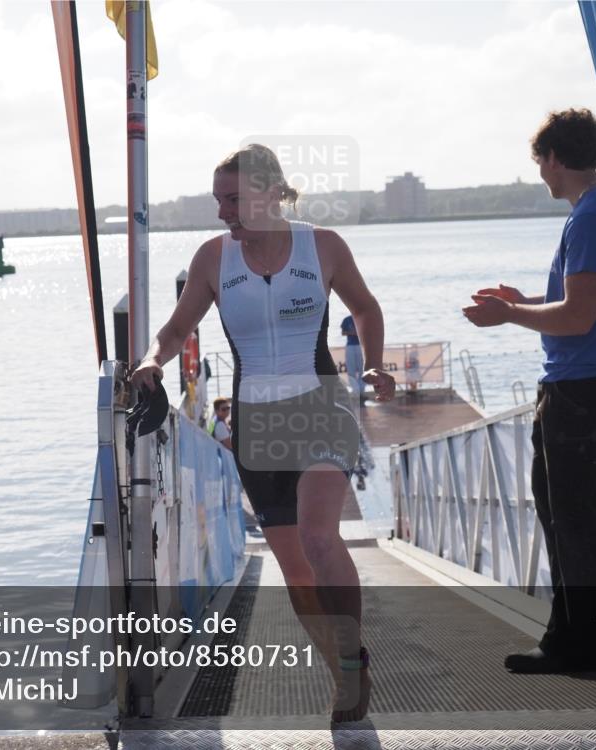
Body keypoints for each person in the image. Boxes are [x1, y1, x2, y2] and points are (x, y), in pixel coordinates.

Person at [130, 143, 395, 722]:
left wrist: (372, 365)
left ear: (271, 194)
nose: (223, 212)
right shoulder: (211, 260)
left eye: (234, 199)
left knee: (320, 537)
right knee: (296, 572)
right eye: (218, 200)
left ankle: (350, 662)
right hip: (257, 425)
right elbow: (174, 332)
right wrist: (152, 360)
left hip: (321, 407)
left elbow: (366, 309)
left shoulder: (322, 246)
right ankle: (345, 672)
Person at [462, 108, 596, 674]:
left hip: (583, 387)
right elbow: (581, 305)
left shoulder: (591, 216)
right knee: (564, 510)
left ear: (556, 158)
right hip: (588, 382)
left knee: (572, 514)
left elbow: (581, 317)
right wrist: (525, 300)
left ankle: (581, 643)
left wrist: (508, 314)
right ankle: (577, 635)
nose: (540, 171)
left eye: (540, 160)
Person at [341, 314, 365, 403]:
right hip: (350, 346)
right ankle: (355, 392)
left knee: (362, 370)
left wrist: (358, 332)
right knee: (351, 370)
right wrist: (353, 332)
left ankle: (361, 392)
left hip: (361, 345)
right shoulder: (347, 319)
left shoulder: (362, 317)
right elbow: (343, 332)